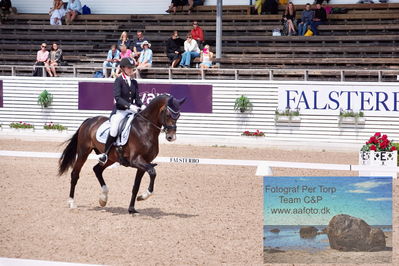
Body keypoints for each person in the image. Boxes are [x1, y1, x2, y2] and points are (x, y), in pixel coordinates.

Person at [98, 57, 146, 165]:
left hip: (130, 112)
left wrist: (142, 106)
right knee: (114, 129)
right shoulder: (118, 80)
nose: (131, 70)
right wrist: (129, 106)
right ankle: (105, 154)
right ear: (123, 68)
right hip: (119, 111)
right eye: (129, 68)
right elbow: (118, 98)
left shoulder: (134, 82)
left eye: (132, 68)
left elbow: (137, 99)